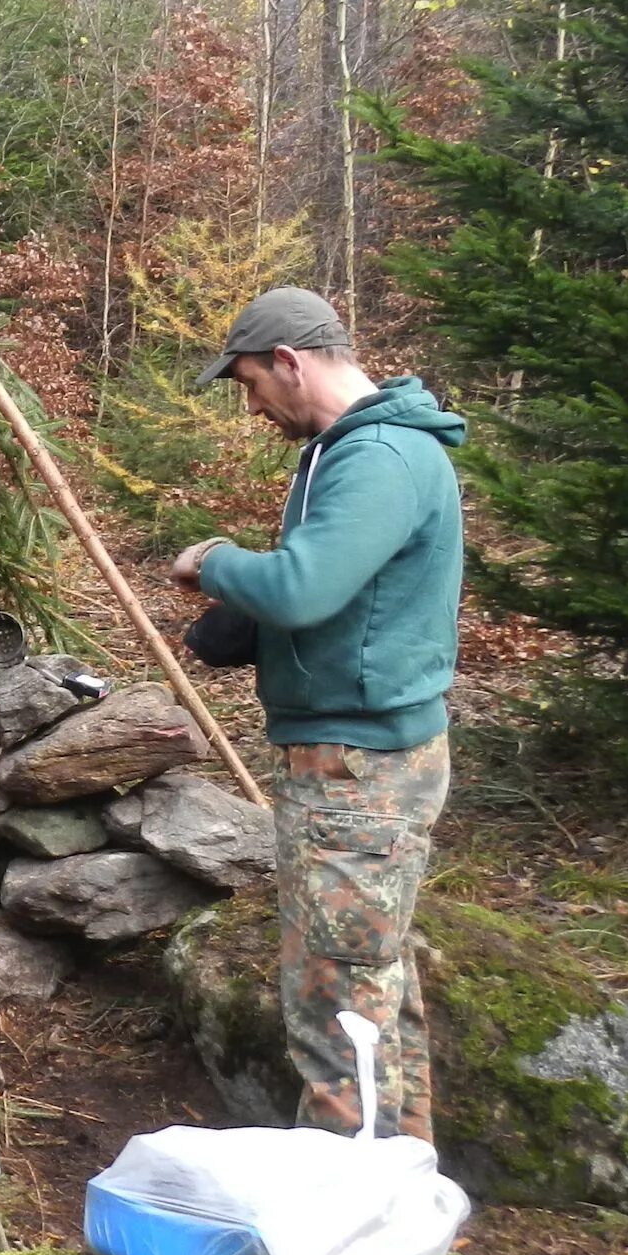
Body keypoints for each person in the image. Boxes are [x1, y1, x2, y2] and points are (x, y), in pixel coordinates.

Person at [168, 287, 465, 1141]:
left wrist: (216, 561)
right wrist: (244, 630)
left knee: (337, 1001)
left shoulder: (376, 456)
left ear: (290, 363)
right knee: (368, 984)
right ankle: (394, 1189)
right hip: (349, 754)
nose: (252, 404)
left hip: (357, 770)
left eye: (249, 383)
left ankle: (344, 1226)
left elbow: (303, 586)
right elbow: (346, 596)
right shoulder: (345, 453)